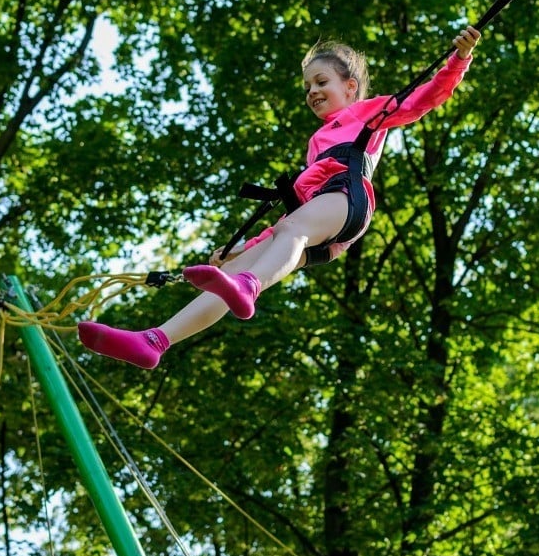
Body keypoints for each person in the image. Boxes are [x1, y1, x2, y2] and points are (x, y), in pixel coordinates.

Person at [78, 26, 481, 369]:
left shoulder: (367, 112)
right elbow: (291, 222)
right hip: (323, 222)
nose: (313, 91)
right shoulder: (317, 143)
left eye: (322, 82)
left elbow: (422, 100)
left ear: (351, 87)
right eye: (308, 86)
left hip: (347, 199)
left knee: (284, 237)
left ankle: (249, 286)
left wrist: (458, 60)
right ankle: (156, 341)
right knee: (232, 275)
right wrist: (238, 250)